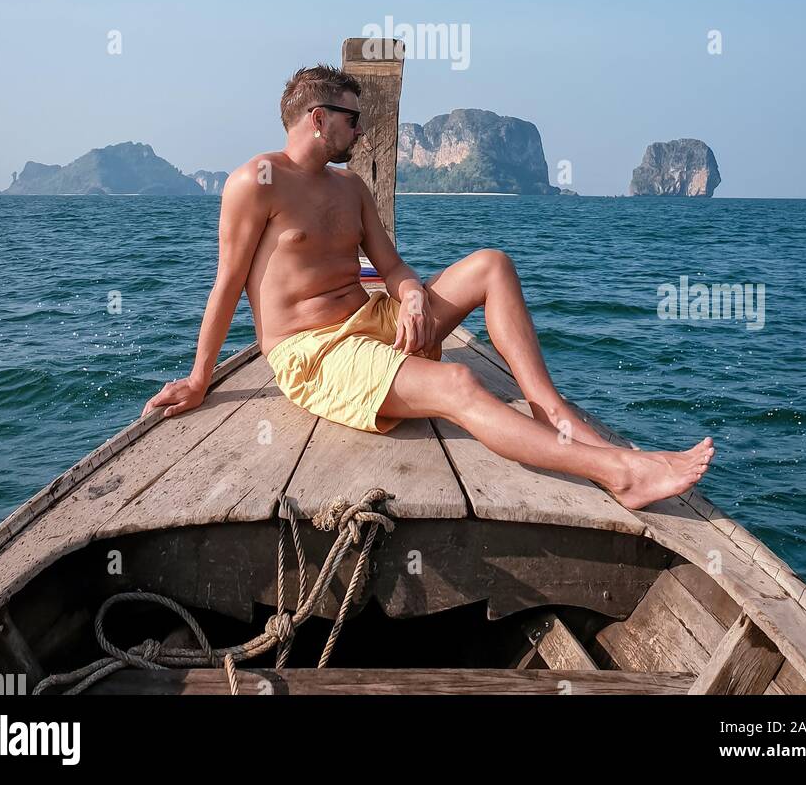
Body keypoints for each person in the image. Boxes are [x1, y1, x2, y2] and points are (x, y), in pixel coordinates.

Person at [142, 64, 714, 510]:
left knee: (492, 263)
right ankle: (620, 473)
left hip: (375, 319)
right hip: (314, 352)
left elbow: (391, 266)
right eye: (351, 119)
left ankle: (549, 407)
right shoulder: (256, 182)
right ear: (319, 118)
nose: (360, 131)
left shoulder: (350, 188)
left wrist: (412, 292)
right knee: (460, 383)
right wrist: (199, 380)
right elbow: (226, 284)